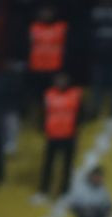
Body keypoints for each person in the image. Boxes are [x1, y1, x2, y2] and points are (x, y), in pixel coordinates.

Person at [38, 72, 82, 200]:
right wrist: (43, 127)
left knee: (67, 165)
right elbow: (43, 112)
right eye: (58, 79)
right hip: (53, 135)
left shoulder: (76, 93)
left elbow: (81, 112)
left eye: (63, 79)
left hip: (69, 135)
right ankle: (43, 190)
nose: (60, 82)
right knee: (48, 164)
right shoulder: (48, 94)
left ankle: (65, 191)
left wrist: (76, 128)